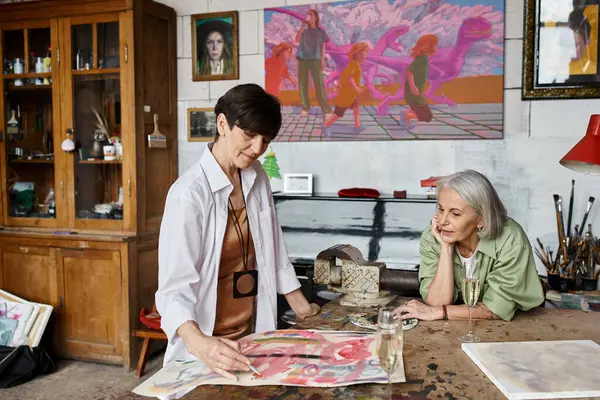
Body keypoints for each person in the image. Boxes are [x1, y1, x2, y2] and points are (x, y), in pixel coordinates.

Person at [156, 84, 320, 395]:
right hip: (208, 346)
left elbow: (273, 248)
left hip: (251, 336)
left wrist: (303, 309)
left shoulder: (256, 176)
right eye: (250, 135)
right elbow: (172, 291)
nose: (258, 147)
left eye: (266, 140)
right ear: (222, 124)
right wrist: (199, 343)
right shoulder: (188, 195)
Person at [393, 170, 544, 322]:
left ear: (482, 219)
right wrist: (446, 248)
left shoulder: (510, 238)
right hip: (455, 327)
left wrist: (441, 312)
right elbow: (436, 303)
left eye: (455, 214)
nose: (443, 220)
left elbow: (496, 309)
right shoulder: (433, 236)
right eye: (441, 209)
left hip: (515, 327)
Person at [323, 42, 369, 136]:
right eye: (365, 52)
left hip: (350, 94)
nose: (366, 54)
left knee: (356, 106)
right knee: (339, 113)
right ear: (359, 53)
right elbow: (348, 77)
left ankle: (357, 125)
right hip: (346, 95)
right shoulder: (354, 64)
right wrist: (356, 88)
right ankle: (326, 125)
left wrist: (339, 84)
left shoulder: (354, 63)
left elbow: (344, 76)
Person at [294, 9, 332, 116]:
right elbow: (297, 39)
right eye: (307, 15)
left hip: (316, 59)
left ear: (315, 18)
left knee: (319, 84)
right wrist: (302, 26)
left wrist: (323, 60)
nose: (308, 17)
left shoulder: (321, 32)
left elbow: (323, 46)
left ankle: (326, 109)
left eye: (310, 15)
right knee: (303, 83)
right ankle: (306, 107)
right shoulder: (304, 32)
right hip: (303, 59)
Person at [401, 34, 438, 129]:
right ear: (428, 47)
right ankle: (406, 116)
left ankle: (407, 123)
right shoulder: (422, 60)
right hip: (414, 93)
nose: (436, 47)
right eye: (434, 45)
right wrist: (413, 87)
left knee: (414, 107)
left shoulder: (421, 58)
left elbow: (419, 72)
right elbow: (409, 72)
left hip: (412, 93)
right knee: (427, 117)